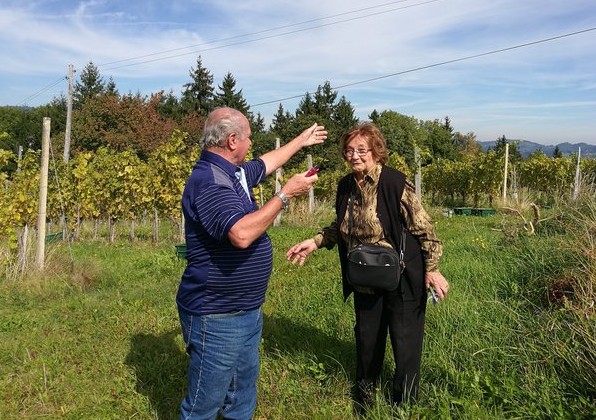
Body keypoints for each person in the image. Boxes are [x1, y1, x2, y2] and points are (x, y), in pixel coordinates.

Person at [286, 122, 449, 412]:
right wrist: (316, 241)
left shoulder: (395, 182)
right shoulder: (345, 186)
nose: (354, 155)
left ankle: (404, 406)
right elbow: (340, 227)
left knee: (405, 344)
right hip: (364, 276)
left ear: (376, 152)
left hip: (402, 276)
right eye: (349, 150)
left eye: (362, 149)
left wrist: (432, 269)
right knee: (366, 341)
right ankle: (363, 402)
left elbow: (424, 228)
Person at [177, 107, 327, 420]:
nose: (251, 144)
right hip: (216, 315)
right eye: (248, 138)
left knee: (241, 397)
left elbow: (267, 162)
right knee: (203, 406)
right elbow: (241, 234)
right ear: (232, 140)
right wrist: (285, 195)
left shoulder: (234, 172)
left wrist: (301, 141)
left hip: (244, 309)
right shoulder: (210, 181)